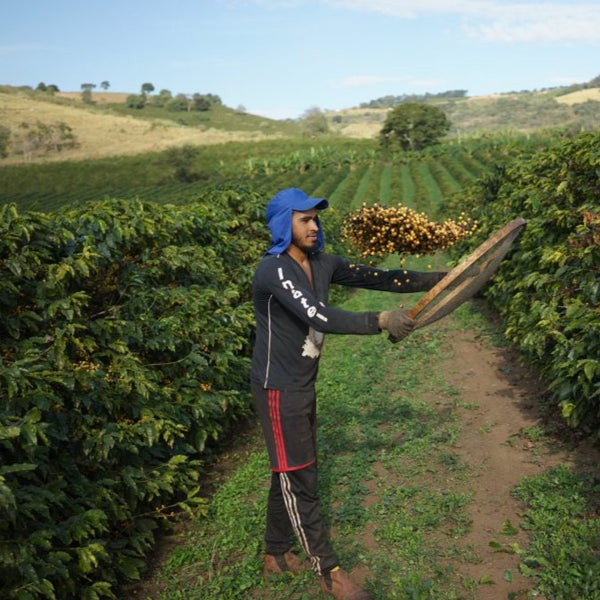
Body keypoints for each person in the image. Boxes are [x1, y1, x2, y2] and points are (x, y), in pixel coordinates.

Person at [250, 188, 446, 600]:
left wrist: (447, 280)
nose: (314, 226)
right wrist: (378, 319)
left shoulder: (323, 263)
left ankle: (274, 551)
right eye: (305, 219)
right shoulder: (274, 269)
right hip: (278, 388)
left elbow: (384, 277)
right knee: (299, 475)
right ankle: (331, 575)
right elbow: (316, 314)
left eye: (316, 219)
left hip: (302, 383)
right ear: (283, 224)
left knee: (289, 468)